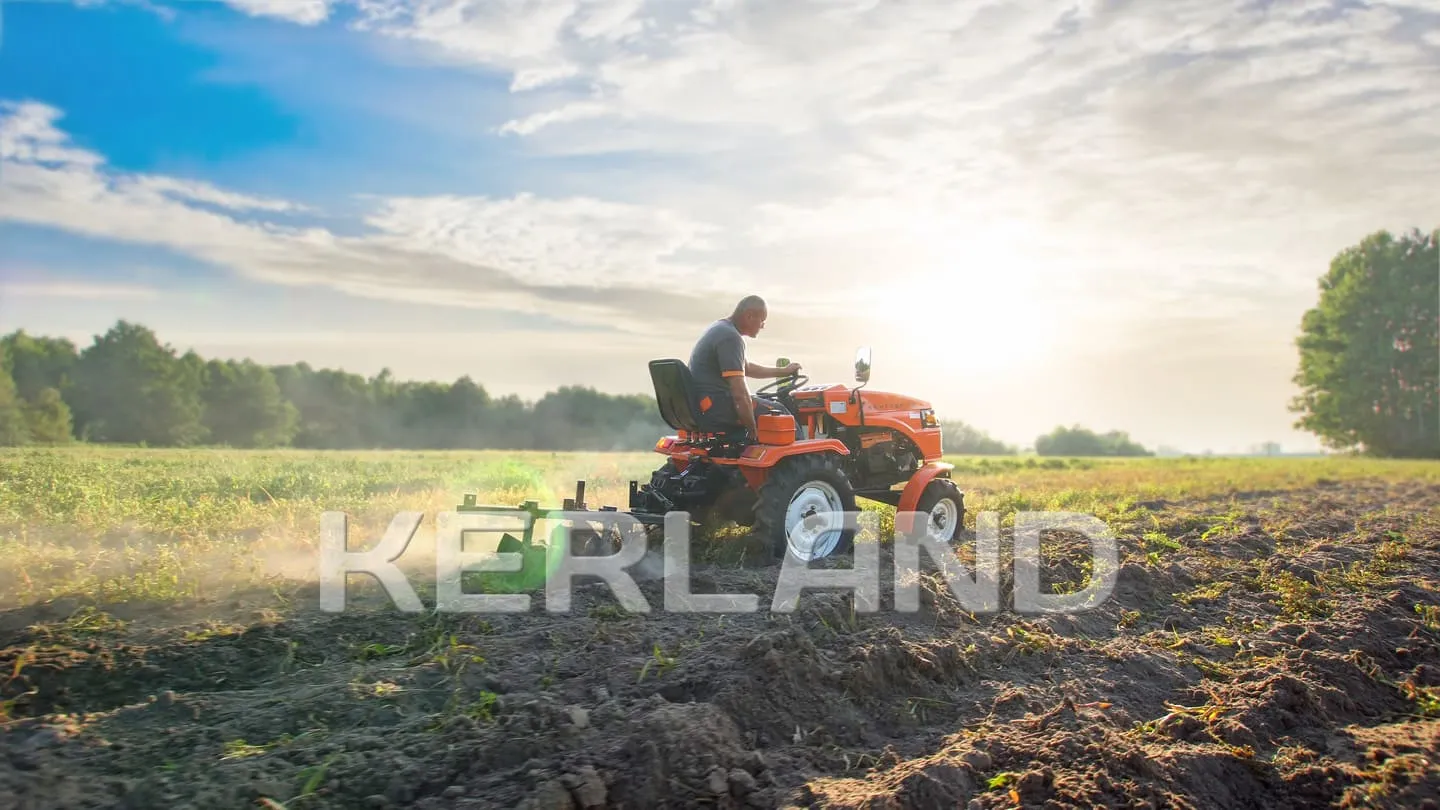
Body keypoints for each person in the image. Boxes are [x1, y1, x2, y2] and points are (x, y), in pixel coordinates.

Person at [689, 295, 801, 436]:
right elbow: (740, 395)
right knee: (782, 413)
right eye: (762, 320)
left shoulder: (720, 329)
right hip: (717, 406)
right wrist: (752, 431)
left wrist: (784, 371)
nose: (763, 326)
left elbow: (746, 368)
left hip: (706, 403)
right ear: (749, 316)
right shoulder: (731, 337)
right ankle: (803, 450)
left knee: (764, 402)